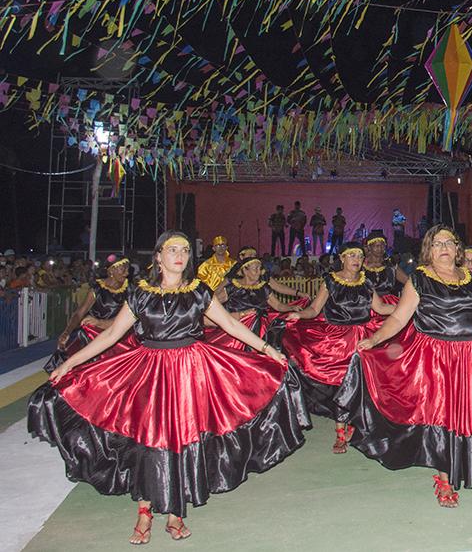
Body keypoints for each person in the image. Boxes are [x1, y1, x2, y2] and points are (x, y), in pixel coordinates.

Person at [28, 232, 308, 543]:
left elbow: (230, 325)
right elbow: (110, 337)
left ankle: (176, 512)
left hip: (192, 370)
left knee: (184, 438)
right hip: (151, 371)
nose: (180, 254)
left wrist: (268, 350)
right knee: (151, 439)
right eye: (172, 249)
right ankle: (145, 511)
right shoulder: (140, 294)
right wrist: (70, 363)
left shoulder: (199, 292)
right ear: (158, 257)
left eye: (185, 250)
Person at [337, 226, 472, 507]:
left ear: (457, 248)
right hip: (437, 360)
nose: (444, 247)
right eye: (437, 243)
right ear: (429, 250)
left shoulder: (470, 279)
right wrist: (374, 339)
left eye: (449, 242)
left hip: (471, 355)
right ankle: (445, 479)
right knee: (444, 419)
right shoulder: (419, 280)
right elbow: (399, 319)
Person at [281, 241, 398, 453]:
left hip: (364, 338)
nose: (357, 259)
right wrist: (299, 314)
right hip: (337, 341)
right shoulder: (330, 282)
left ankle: (358, 425)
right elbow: (315, 309)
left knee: (363, 384)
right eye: (352, 255)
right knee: (342, 385)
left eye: (360, 256)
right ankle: (340, 433)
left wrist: (405, 308)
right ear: (342, 258)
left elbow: (380, 307)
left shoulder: (366, 283)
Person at [44, 254, 137, 373]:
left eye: (127, 269)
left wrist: (101, 322)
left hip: (118, 332)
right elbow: (80, 312)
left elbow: (127, 317)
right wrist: (67, 331)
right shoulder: (98, 289)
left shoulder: (130, 289)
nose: (126, 273)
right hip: (93, 333)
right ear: (111, 270)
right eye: (122, 269)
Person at [204, 255, 298, 350]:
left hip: (261, 328)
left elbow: (278, 305)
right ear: (245, 270)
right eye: (255, 268)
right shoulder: (233, 287)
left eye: (259, 268)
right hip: (239, 327)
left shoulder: (263, 287)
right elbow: (212, 304)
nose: (258, 271)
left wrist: (291, 307)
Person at [361, 230, 409, 300]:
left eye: (382, 245)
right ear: (369, 247)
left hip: (388, 301)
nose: (380, 249)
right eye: (376, 246)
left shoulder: (390, 264)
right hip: (367, 302)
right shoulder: (361, 266)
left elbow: (407, 281)